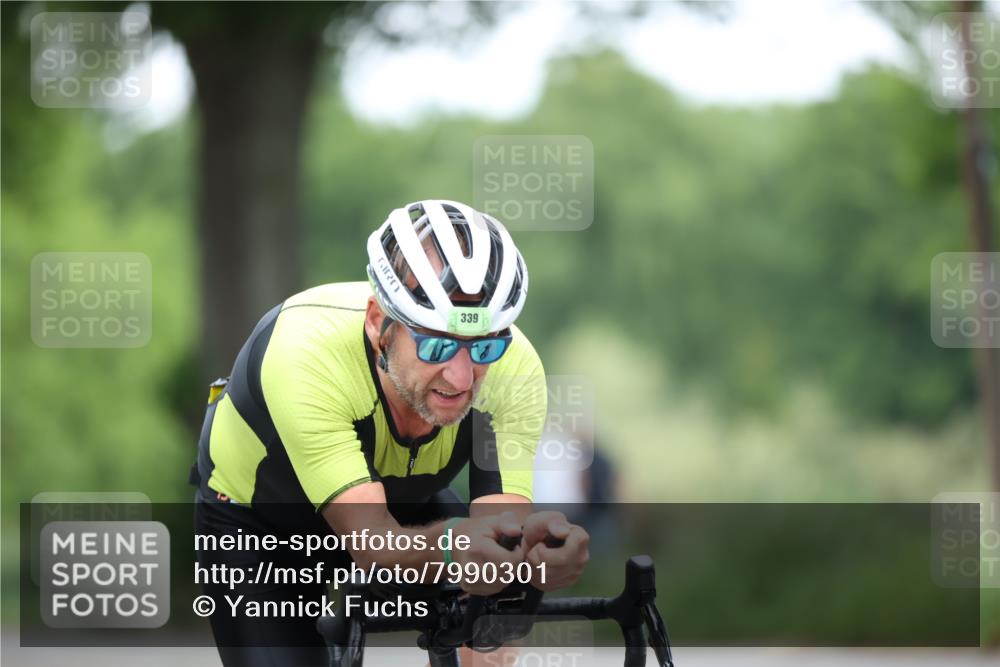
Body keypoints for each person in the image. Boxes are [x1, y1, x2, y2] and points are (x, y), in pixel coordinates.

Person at [190, 199, 590, 667]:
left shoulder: (514, 367)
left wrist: (531, 555)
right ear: (380, 324)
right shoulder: (304, 353)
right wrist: (457, 545)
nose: (461, 378)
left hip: (405, 505)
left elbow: (498, 537)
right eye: (437, 344)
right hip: (260, 522)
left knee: (497, 620)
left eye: (483, 346)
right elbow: (372, 543)